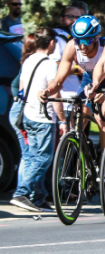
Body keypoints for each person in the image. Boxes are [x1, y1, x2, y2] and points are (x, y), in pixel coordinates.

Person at [38, 16, 105, 150]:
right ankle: (83, 154)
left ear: (96, 38)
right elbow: (58, 80)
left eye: (87, 40)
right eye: (78, 40)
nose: (82, 46)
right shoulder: (72, 47)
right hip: (89, 78)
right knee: (78, 116)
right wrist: (48, 91)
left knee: (101, 116)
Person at [9, 28, 66, 212]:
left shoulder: (28, 60)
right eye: (55, 42)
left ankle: (38, 197)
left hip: (28, 114)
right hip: (43, 117)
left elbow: (22, 89)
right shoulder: (50, 64)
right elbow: (54, 92)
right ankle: (22, 193)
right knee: (43, 158)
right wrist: (62, 120)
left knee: (32, 156)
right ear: (50, 43)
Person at [50, 4, 85, 116]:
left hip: (79, 96)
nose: (75, 20)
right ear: (61, 19)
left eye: (78, 18)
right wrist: (77, 69)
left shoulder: (77, 38)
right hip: (65, 99)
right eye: (71, 17)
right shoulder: (57, 37)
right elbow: (54, 65)